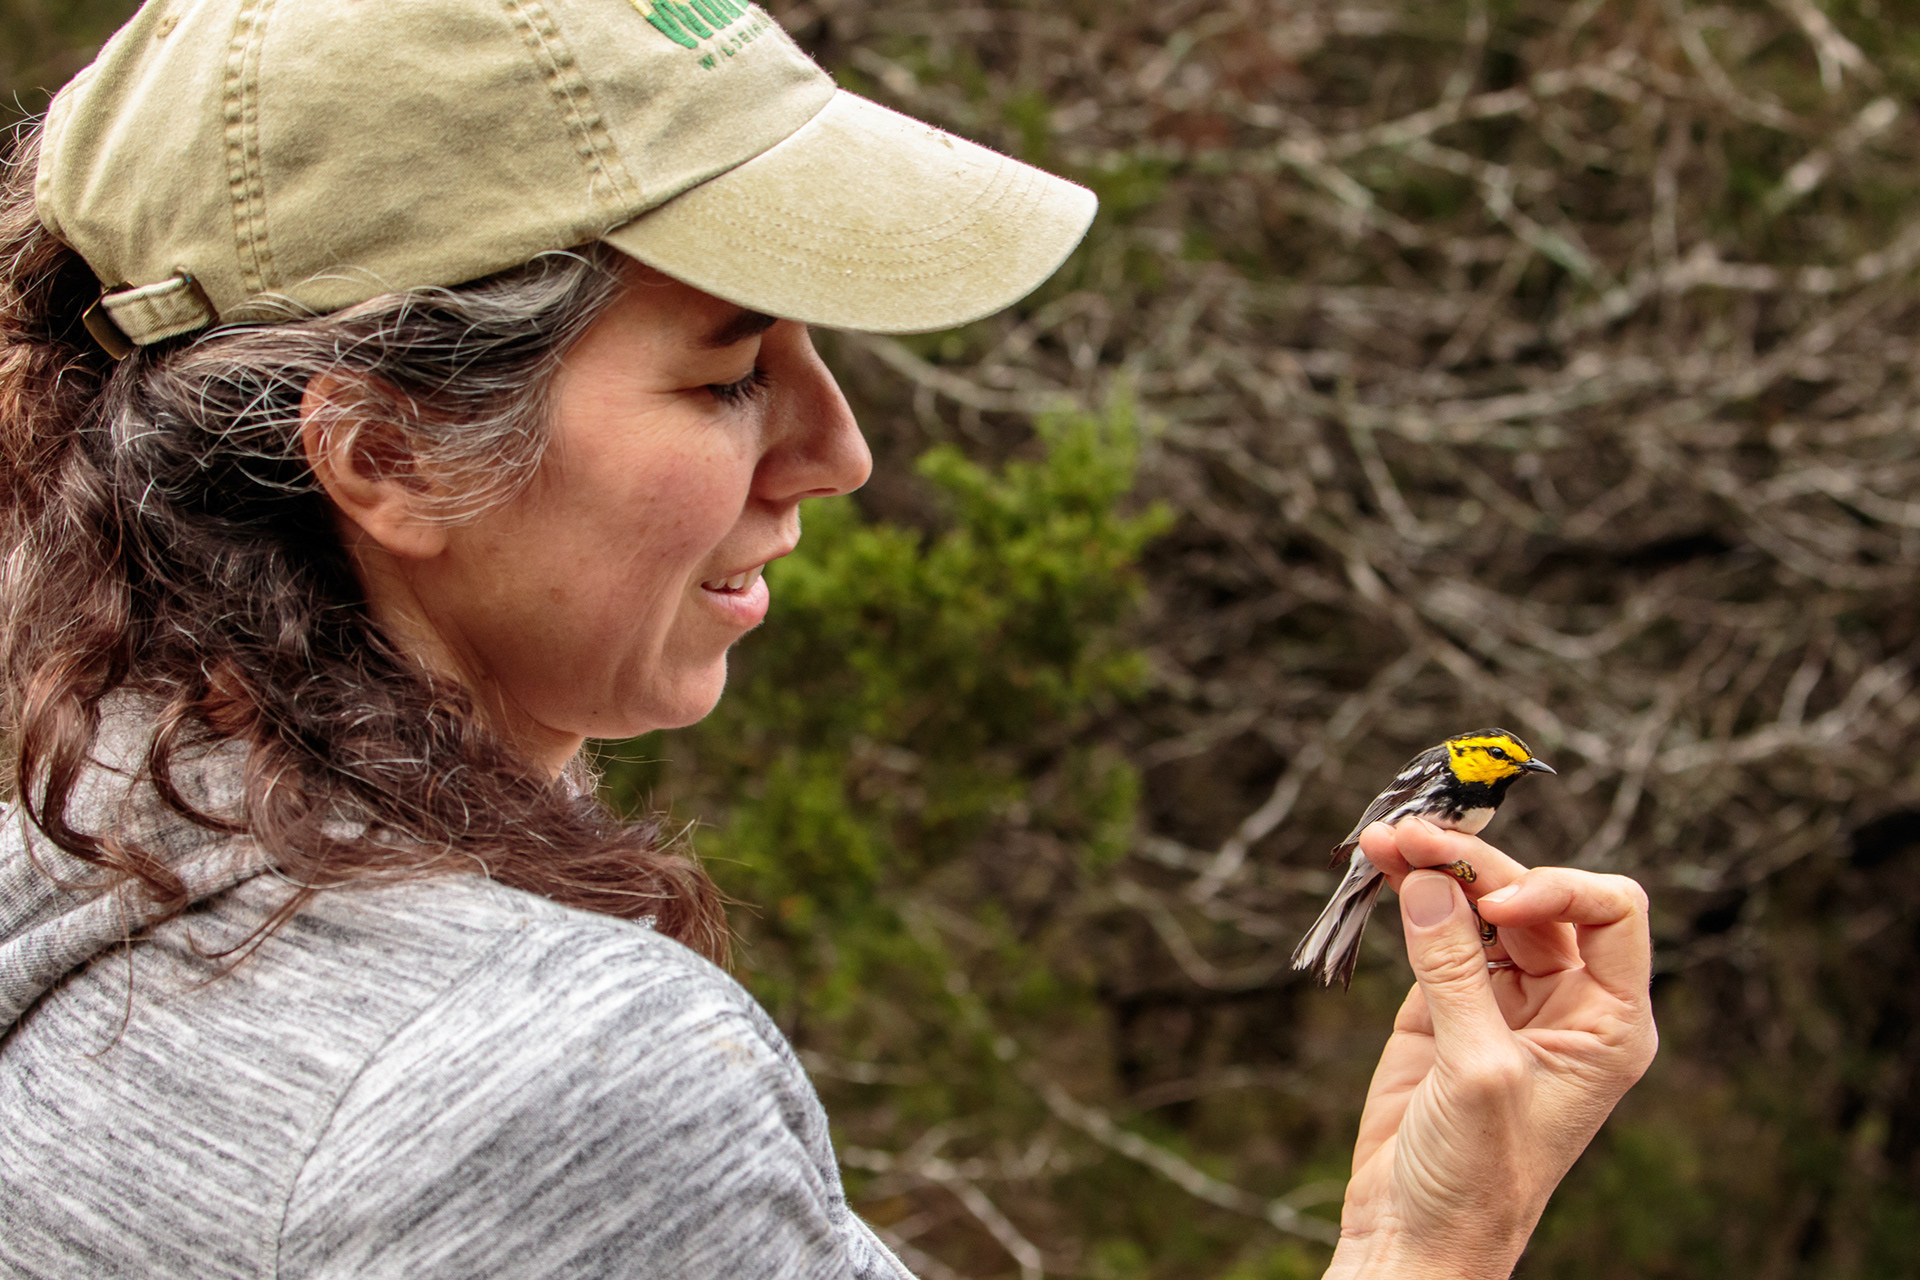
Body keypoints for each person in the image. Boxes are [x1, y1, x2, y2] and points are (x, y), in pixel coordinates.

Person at [0, 1, 1657, 1275]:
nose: (838, 448)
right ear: (383, 456)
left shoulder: (72, 799)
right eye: (728, 372)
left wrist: (1409, 1243)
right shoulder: (535, 1087)